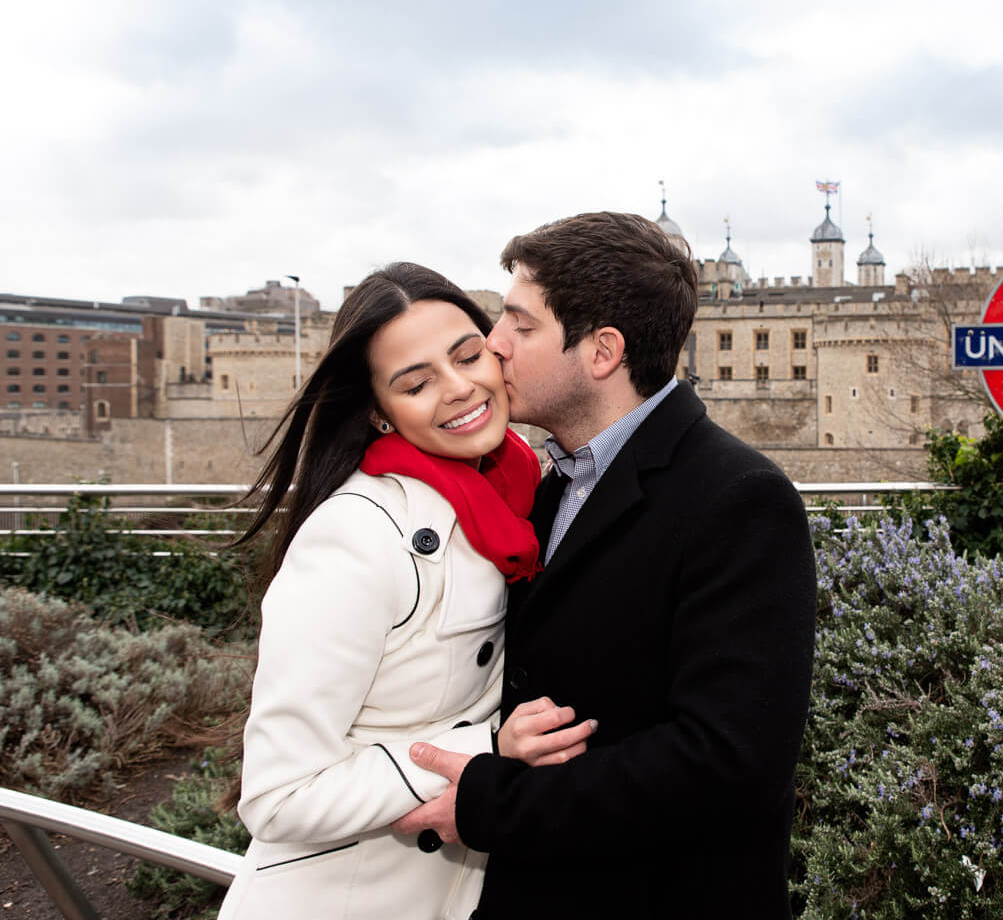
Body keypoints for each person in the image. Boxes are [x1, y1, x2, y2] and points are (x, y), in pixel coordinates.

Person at [392, 212, 818, 919]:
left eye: (520, 326)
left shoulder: (739, 499)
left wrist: (494, 801)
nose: (493, 346)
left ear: (601, 352)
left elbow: (727, 764)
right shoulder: (549, 482)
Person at [218, 263, 595, 920]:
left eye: (468, 354)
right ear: (378, 412)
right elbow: (276, 796)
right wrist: (487, 751)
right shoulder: (356, 537)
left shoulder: (512, 490)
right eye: (416, 383)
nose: (458, 389)